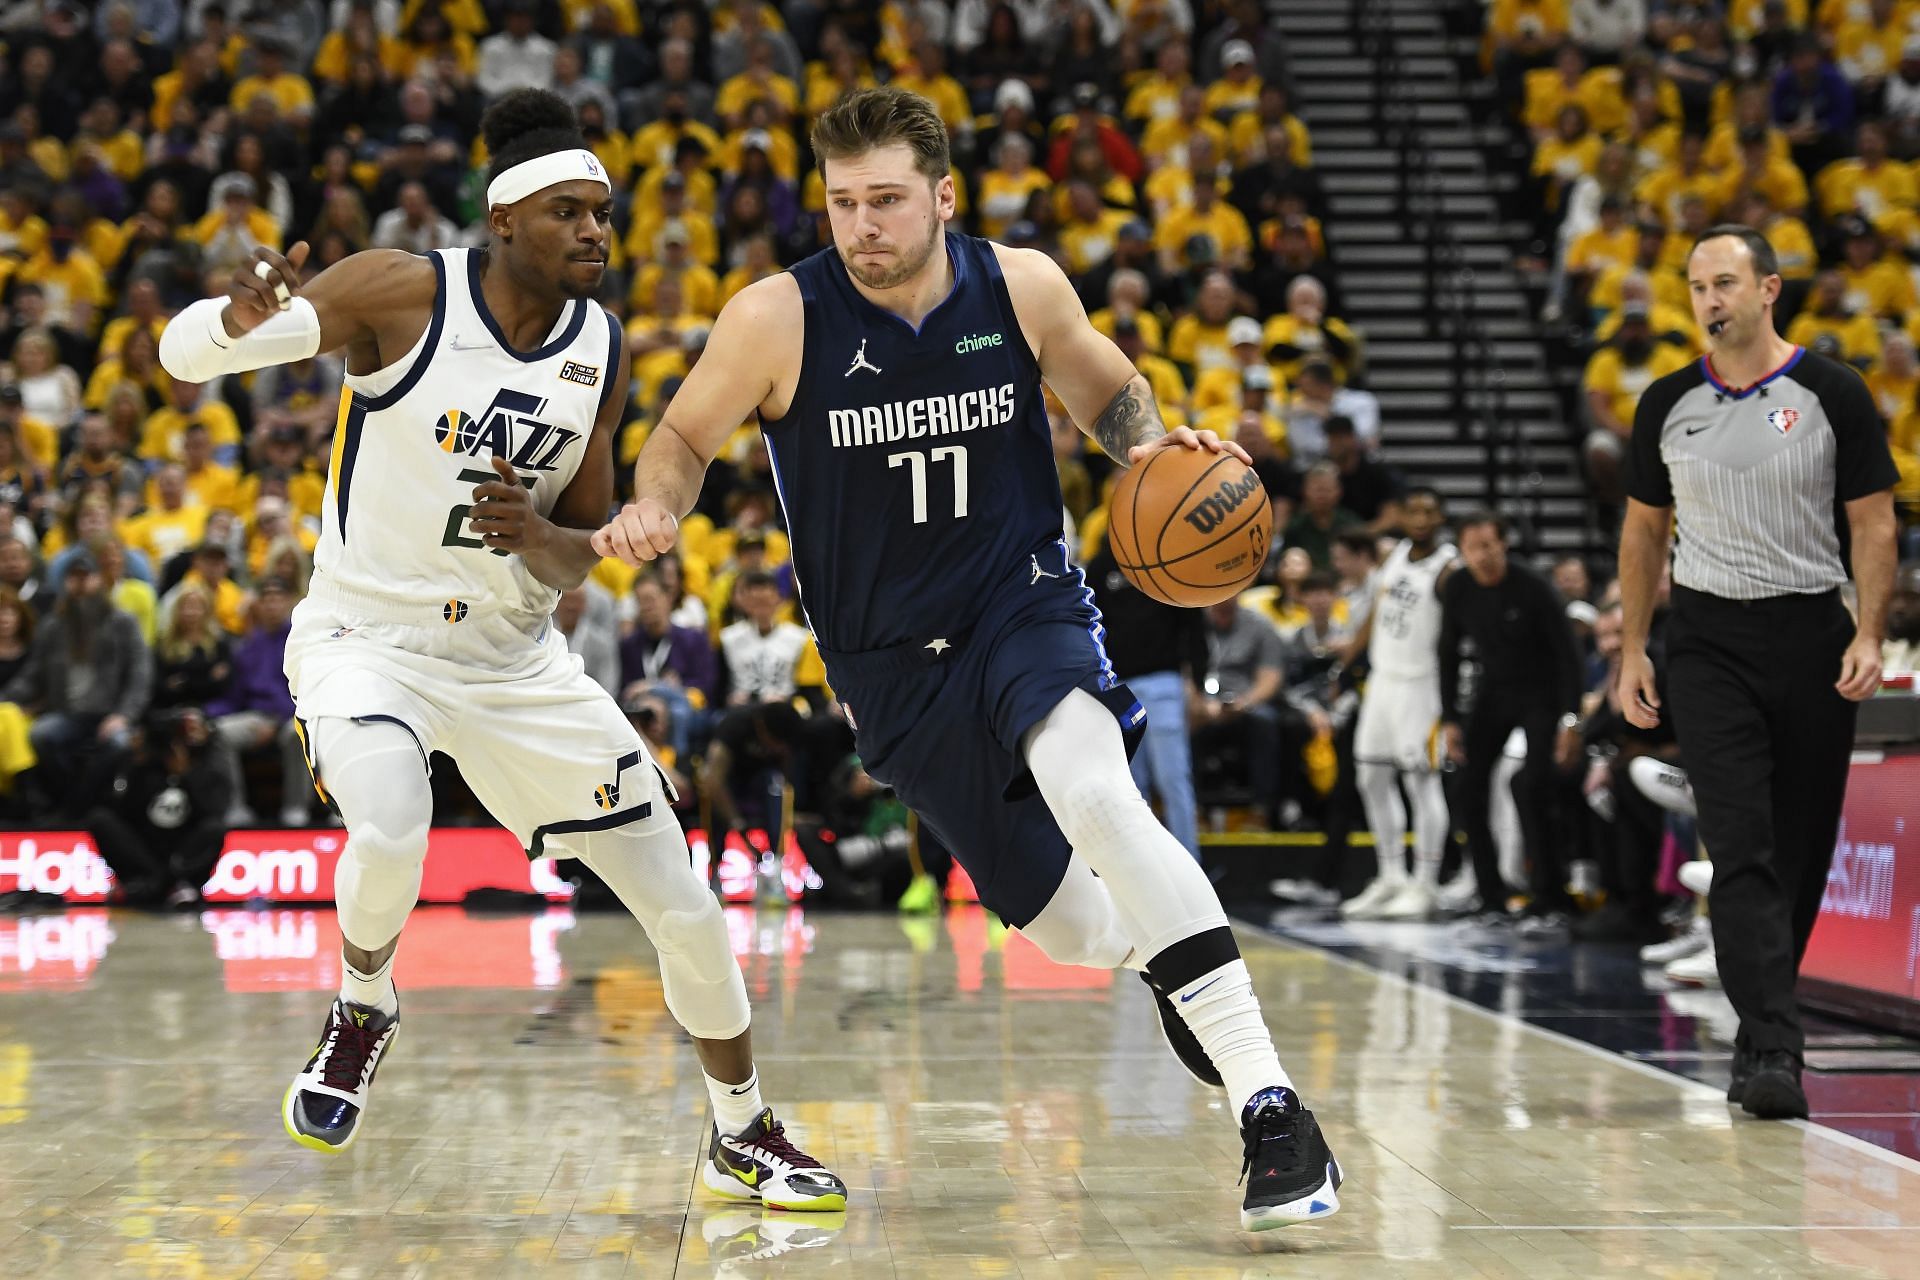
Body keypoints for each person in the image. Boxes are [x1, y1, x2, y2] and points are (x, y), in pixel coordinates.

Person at [596, 86, 1341, 1231]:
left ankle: (1272, 1108)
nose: (864, 226)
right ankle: (1171, 960)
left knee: (1098, 791)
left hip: (1021, 602)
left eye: (887, 199)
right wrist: (655, 502)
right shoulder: (775, 319)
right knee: (1074, 930)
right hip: (891, 666)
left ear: (944, 195)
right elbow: (684, 435)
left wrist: (1154, 442)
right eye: (844, 203)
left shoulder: (1023, 285)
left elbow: (1111, 396)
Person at [157, 89, 845, 1207]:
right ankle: (363, 1002)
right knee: (390, 822)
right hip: (368, 640)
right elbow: (187, 360)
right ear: (506, 219)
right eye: (571, 211)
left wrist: (548, 535)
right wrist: (229, 321)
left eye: (604, 215)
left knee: (680, 897)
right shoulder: (398, 290)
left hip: (515, 663)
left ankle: (741, 1125)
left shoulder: (601, 350)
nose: (596, 233)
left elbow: (575, 557)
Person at [1617, 224, 1899, 1120]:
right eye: (1698, 286)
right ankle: (1775, 1044)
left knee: (1801, 850)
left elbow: (1875, 523)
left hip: (1813, 630)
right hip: (1706, 642)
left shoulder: (1833, 392)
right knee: (1738, 845)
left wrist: (1870, 631)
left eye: (1727, 283)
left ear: (1770, 289)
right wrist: (1632, 648)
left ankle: (1760, 1033)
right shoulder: (1665, 401)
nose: (1710, 301)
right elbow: (1641, 532)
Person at [1437, 511, 1584, 930]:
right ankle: (1491, 897)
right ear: (1462, 551)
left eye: (1488, 545)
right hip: (1495, 689)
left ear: (1503, 543)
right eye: (1471, 548)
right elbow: (1447, 652)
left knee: (1534, 786)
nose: (1481, 555)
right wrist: (1450, 717)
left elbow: (1570, 656)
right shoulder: (1460, 587)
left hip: (1543, 692)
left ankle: (1550, 898)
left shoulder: (1534, 586)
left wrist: (1571, 720)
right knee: (1467, 786)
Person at [1339, 487, 1458, 920]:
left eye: (1430, 510)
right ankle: (1391, 875)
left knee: (1420, 782)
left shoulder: (1448, 569)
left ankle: (1425, 883)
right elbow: (1376, 611)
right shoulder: (1397, 553)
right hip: (1382, 681)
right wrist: (1348, 661)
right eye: (1414, 510)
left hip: (1420, 686)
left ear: (1441, 517)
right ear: (1403, 516)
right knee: (1370, 777)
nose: (1421, 517)